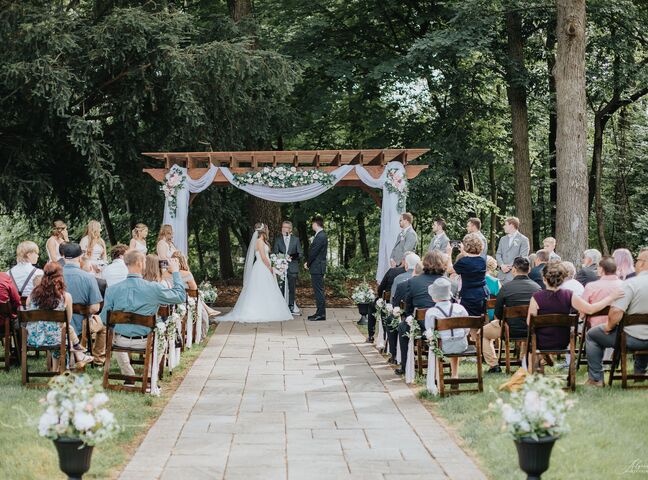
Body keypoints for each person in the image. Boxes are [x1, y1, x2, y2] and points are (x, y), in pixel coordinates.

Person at [101, 251, 186, 378]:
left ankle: (128, 374)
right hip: (145, 341)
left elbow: (104, 319)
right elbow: (180, 296)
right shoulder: (153, 288)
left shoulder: (112, 290)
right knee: (161, 336)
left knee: (113, 334)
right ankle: (150, 375)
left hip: (120, 342)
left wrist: (120, 328)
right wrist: (175, 272)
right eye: (144, 261)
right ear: (140, 263)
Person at [528, 262, 621, 366]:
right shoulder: (569, 295)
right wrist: (610, 298)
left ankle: (535, 370)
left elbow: (529, 322)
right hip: (563, 341)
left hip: (541, 342)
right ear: (563, 278)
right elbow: (590, 309)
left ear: (544, 279)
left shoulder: (536, 297)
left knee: (532, 341)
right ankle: (546, 360)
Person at [585, 248, 648, 387]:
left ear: (643, 264)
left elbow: (615, 312)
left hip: (631, 339)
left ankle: (596, 379)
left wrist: (608, 326)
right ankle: (639, 374)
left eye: (637, 261)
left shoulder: (631, 283)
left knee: (592, 335)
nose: (636, 263)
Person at [25, 262, 93, 370]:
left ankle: (63, 365)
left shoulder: (32, 295)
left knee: (61, 331)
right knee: (64, 329)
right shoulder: (65, 297)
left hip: (33, 338)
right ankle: (74, 356)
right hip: (55, 339)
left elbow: (28, 312)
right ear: (60, 276)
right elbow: (68, 320)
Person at [222, 223, 293, 323]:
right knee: (260, 288)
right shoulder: (259, 241)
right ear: (264, 231)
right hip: (261, 267)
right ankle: (258, 311)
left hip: (264, 266)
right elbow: (263, 257)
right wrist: (271, 267)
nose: (268, 231)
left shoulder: (264, 242)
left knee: (267, 289)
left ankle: (268, 310)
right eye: (267, 229)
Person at [481, 257, 540, 373]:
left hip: (508, 329)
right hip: (531, 329)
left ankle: (494, 365)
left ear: (513, 270)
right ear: (529, 270)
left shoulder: (506, 288)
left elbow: (497, 315)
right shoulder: (537, 288)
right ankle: (524, 362)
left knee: (481, 333)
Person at [396, 251, 448, 375]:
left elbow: (408, 308)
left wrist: (409, 315)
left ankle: (405, 365)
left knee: (403, 326)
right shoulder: (448, 282)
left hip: (423, 325)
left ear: (425, 263)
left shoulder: (414, 282)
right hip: (446, 326)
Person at [61, 243, 105, 366]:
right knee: (104, 326)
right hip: (82, 325)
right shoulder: (88, 278)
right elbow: (95, 308)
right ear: (80, 258)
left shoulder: (54, 275)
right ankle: (98, 359)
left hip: (58, 323)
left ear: (64, 257)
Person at [425, 277, 471, 379]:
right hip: (461, 345)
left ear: (434, 296)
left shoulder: (431, 312)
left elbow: (429, 331)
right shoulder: (459, 308)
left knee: (436, 341)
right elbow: (467, 328)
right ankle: (455, 375)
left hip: (442, 347)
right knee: (455, 340)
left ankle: (437, 375)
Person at [366, 254, 407, 343]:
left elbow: (381, 288)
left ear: (404, 261)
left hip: (389, 303)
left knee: (371, 306)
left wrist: (380, 296)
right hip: (407, 306)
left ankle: (371, 335)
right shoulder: (418, 274)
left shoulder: (392, 271)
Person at [448, 233, 488, 317]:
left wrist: (449, 253)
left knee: (469, 322)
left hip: (469, 296)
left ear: (466, 245)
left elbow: (449, 269)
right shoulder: (482, 260)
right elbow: (472, 258)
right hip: (482, 294)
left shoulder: (463, 262)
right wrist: (464, 251)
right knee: (478, 321)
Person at [580, 256, 623, 328]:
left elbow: (582, 313)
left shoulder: (591, 286)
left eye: (598, 267)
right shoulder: (624, 286)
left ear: (601, 269)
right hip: (619, 329)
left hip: (594, 329)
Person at [272, 220, 303, 315]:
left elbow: (300, 253)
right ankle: (281, 307)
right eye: (282, 227)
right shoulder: (278, 239)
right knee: (281, 287)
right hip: (280, 268)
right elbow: (275, 252)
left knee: (292, 288)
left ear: (290, 229)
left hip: (292, 267)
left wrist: (290, 257)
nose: (283, 229)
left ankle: (291, 307)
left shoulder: (296, 239)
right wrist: (280, 259)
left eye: (285, 227)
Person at [305, 216, 328, 321]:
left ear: (315, 224)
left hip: (317, 266)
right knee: (319, 290)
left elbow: (314, 252)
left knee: (318, 291)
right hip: (318, 266)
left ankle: (321, 314)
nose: (311, 226)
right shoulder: (321, 235)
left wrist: (308, 263)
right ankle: (319, 313)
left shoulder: (320, 236)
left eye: (312, 224)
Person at [496, 217, 530, 284]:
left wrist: (510, 266)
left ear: (511, 225)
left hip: (514, 275)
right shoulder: (503, 239)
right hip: (501, 276)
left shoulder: (523, 239)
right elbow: (498, 254)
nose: (504, 227)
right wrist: (502, 265)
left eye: (505, 225)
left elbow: (523, 257)